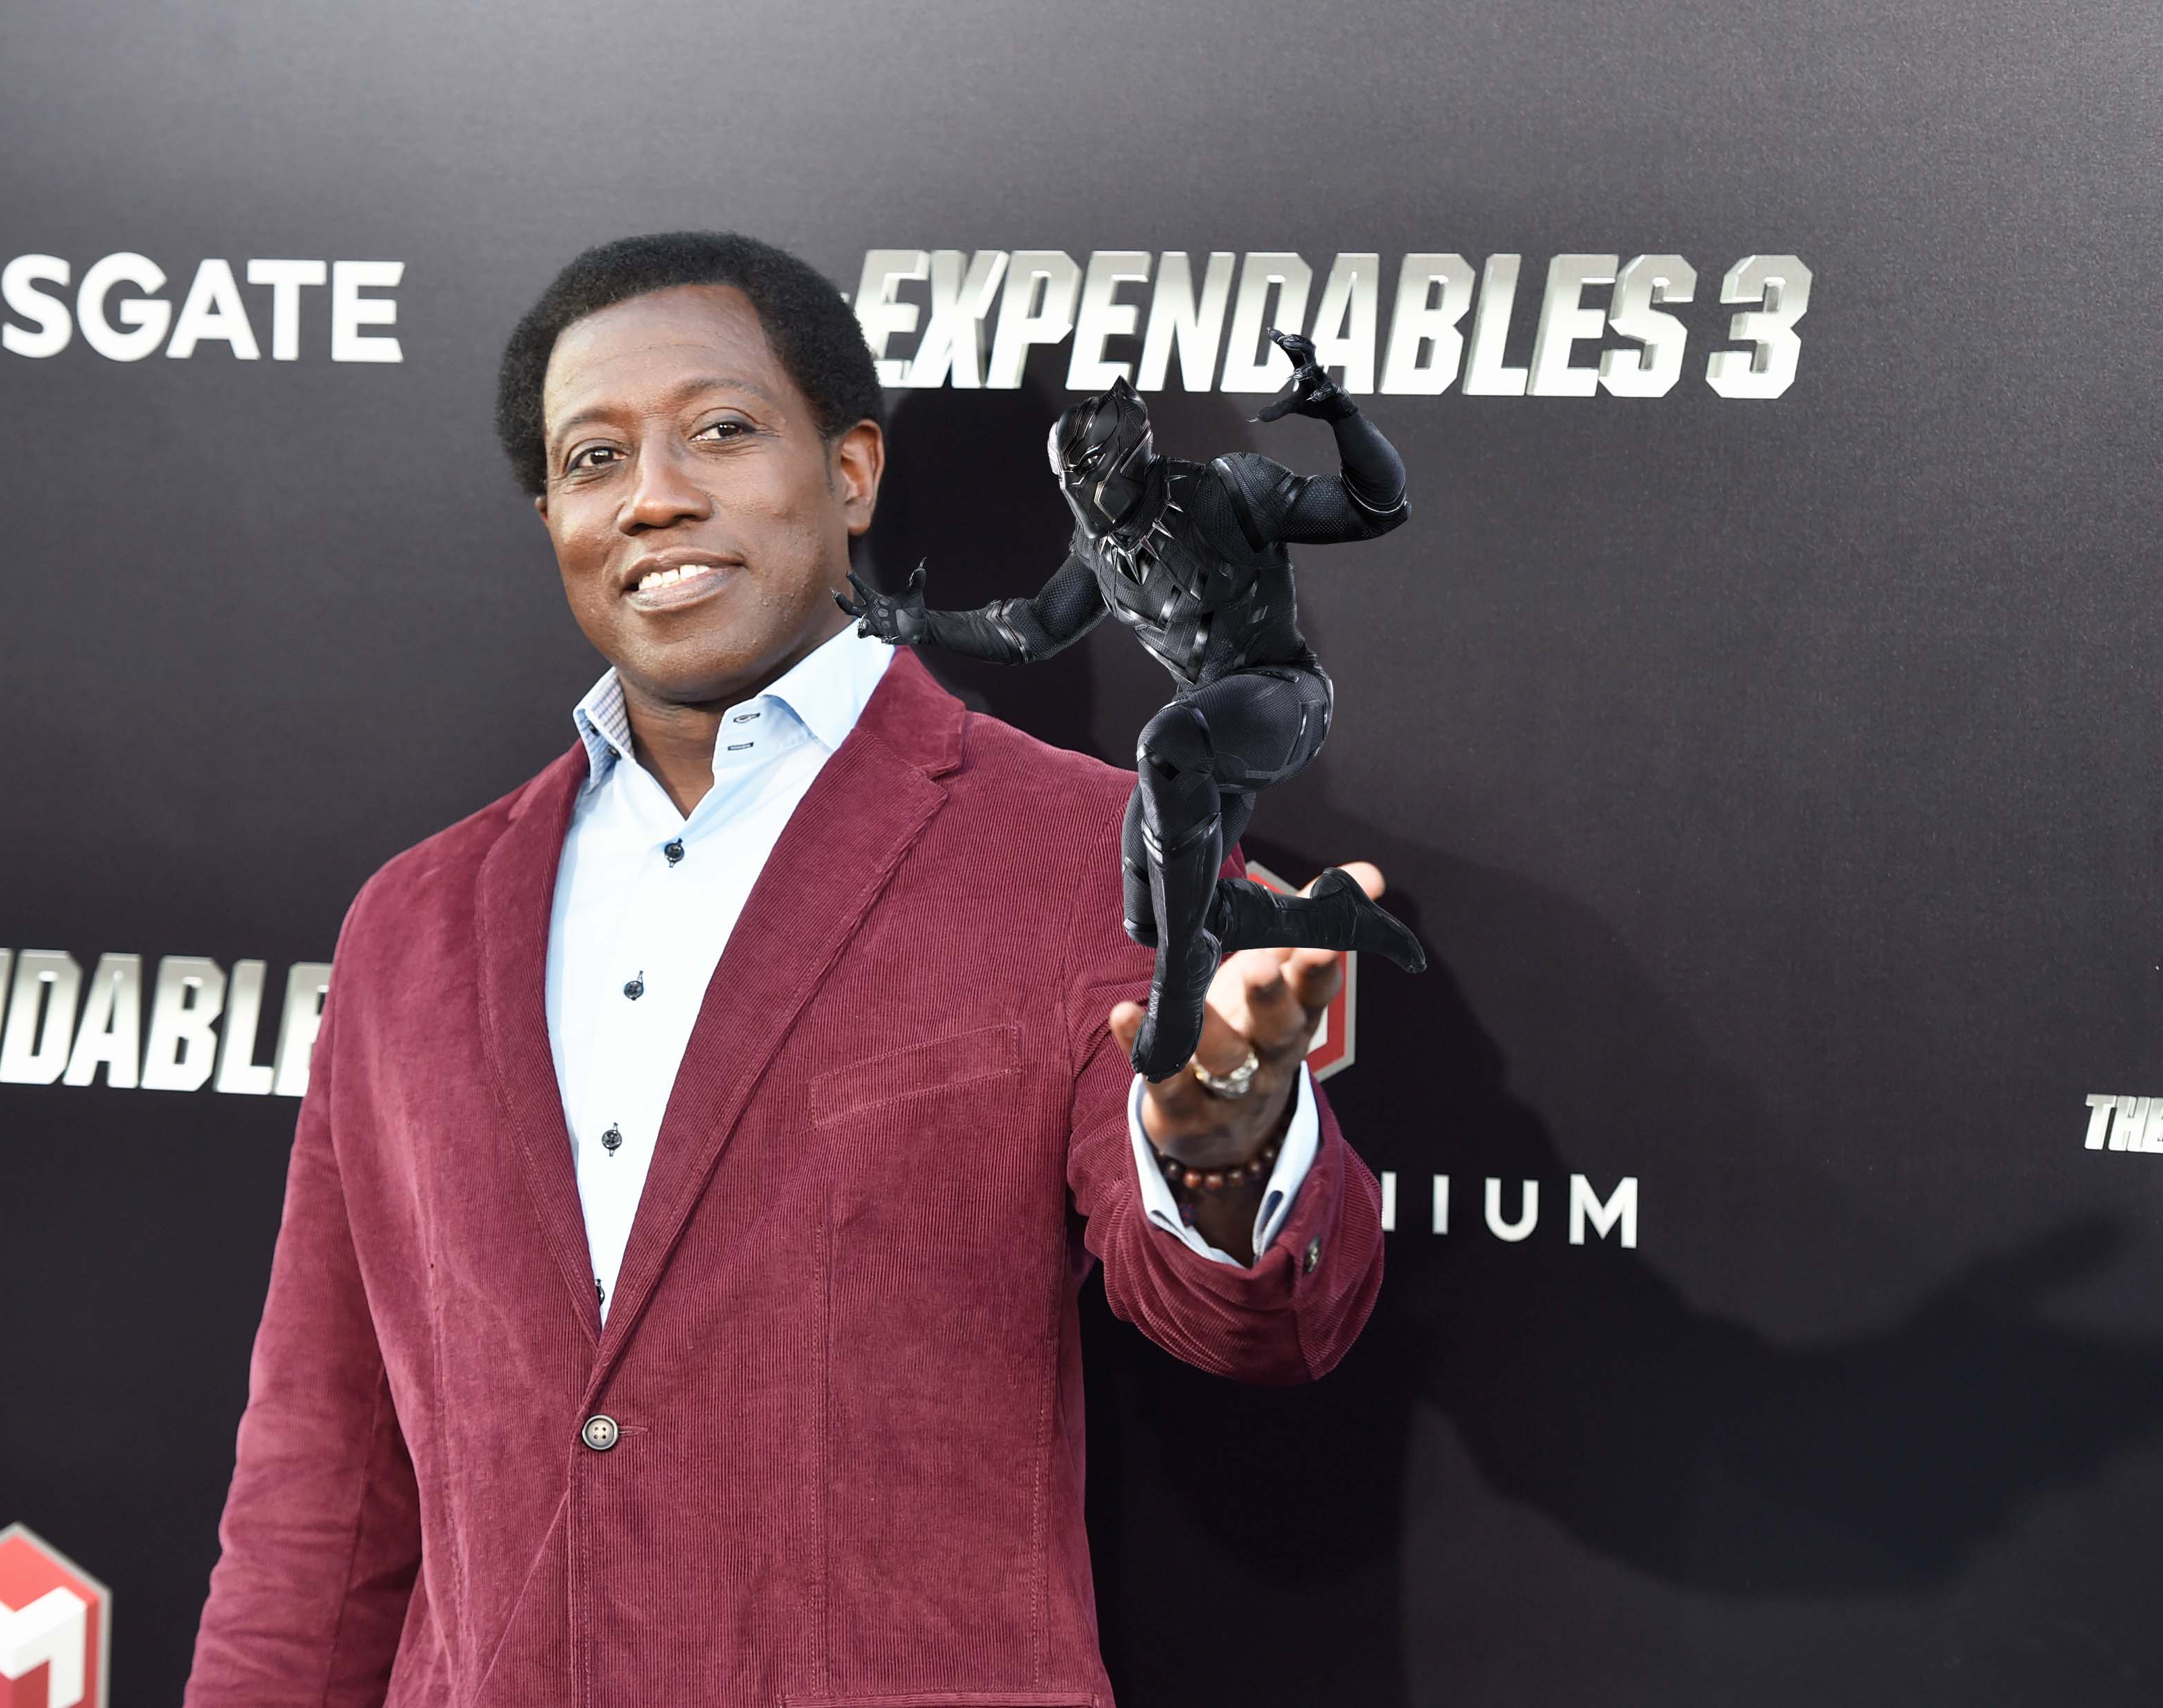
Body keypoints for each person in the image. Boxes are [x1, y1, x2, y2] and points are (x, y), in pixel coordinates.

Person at [183, 232, 1388, 1708]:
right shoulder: (414, 923)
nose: (654, 495)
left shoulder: (1096, 848)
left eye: (720, 430)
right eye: (592, 458)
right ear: (553, 516)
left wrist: (1226, 1153)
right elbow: (323, 1483)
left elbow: (1267, 1320)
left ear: (853, 473)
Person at [837, 352, 1426, 1081]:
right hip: (1199, 738)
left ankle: (1177, 995)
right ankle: (1327, 917)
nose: (1080, 492)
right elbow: (1034, 628)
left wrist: (1341, 413)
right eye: (1069, 478)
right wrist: (925, 625)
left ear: (1127, 459)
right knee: (1151, 916)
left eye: (1088, 472)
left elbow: (1376, 505)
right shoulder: (1098, 548)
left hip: (1283, 699)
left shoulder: (1224, 492)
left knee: (1165, 748)